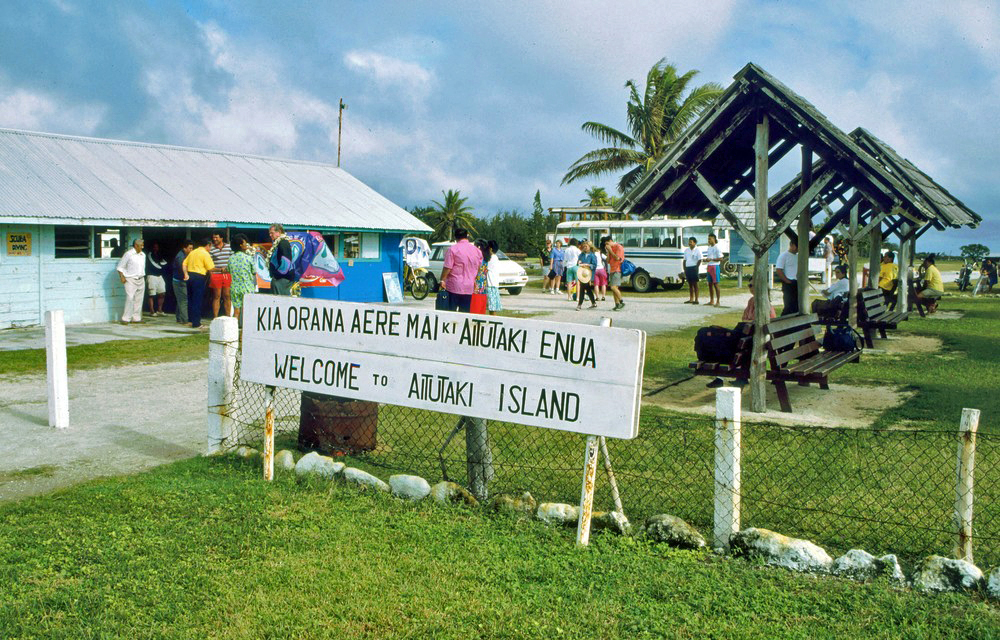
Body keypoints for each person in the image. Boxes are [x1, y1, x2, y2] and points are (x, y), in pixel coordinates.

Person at [439, 227, 482, 312]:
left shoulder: (452, 249)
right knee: (465, 315)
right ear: (467, 236)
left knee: (451, 314)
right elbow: (478, 268)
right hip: (469, 288)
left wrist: (442, 280)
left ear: (456, 237)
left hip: (454, 286)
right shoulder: (477, 251)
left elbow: (448, 267)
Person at [183, 237, 214, 330]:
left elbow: (184, 264)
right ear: (208, 245)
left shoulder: (193, 252)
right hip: (199, 277)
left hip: (190, 276)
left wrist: (185, 273)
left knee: (191, 299)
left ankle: (191, 320)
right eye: (210, 246)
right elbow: (211, 268)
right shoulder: (205, 254)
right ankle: (196, 323)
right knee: (197, 300)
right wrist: (221, 269)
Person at [228, 234, 258, 326]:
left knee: (236, 311)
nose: (246, 244)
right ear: (241, 245)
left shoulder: (231, 258)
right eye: (245, 243)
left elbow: (229, 270)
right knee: (247, 312)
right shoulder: (248, 258)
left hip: (235, 287)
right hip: (247, 287)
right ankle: (244, 335)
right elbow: (254, 271)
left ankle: (233, 333)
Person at [116, 238, 146, 324]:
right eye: (141, 245)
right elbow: (120, 267)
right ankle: (126, 318)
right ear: (136, 245)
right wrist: (122, 277)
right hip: (130, 279)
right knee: (130, 298)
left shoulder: (143, 255)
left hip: (140, 279)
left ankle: (136, 318)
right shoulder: (128, 254)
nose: (142, 247)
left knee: (139, 299)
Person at [209, 232, 233, 317]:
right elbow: (209, 264)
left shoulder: (229, 247)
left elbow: (232, 260)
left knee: (227, 296)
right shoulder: (211, 249)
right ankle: (215, 317)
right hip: (216, 274)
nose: (215, 239)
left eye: (216, 237)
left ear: (221, 238)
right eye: (213, 237)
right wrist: (212, 273)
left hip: (227, 274)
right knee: (216, 296)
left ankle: (228, 316)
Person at [268, 224, 295, 296]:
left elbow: (286, 262)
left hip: (283, 278)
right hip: (280, 277)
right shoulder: (278, 243)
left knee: (280, 300)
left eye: (272, 233)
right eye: (269, 233)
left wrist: (277, 275)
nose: (270, 235)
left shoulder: (283, 243)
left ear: (279, 232)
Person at [172, 240, 194, 324]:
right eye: (190, 248)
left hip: (179, 280)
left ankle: (179, 318)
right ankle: (185, 320)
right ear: (184, 248)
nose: (191, 250)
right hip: (179, 281)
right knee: (183, 300)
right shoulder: (180, 257)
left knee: (180, 299)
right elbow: (182, 269)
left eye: (192, 248)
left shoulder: (186, 255)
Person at [775, 240, 799, 316]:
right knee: (788, 305)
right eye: (796, 246)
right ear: (791, 244)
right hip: (789, 282)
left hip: (797, 282)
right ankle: (783, 322)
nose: (797, 248)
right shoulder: (783, 256)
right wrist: (787, 281)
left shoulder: (798, 256)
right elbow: (779, 270)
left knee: (797, 306)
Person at [601, 235, 625, 311]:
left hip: (617, 269)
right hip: (612, 269)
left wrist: (610, 250)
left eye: (608, 243)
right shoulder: (610, 249)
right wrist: (608, 252)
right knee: (614, 289)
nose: (607, 245)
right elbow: (608, 261)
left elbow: (617, 258)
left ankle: (621, 301)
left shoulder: (618, 247)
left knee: (613, 287)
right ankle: (617, 304)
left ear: (611, 241)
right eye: (606, 244)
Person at [145, 241, 168, 317]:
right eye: (154, 247)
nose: (156, 248)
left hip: (159, 276)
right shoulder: (149, 255)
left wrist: (161, 264)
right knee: (151, 294)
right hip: (151, 276)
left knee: (162, 293)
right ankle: (152, 311)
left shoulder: (160, 254)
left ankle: (159, 310)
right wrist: (161, 265)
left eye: (157, 247)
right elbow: (155, 264)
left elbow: (165, 262)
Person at [575, 240, 598, 310]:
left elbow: (594, 265)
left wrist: (588, 265)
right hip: (582, 273)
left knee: (583, 288)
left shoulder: (592, 255)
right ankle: (593, 303)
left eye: (586, 246)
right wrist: (579, 263)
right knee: (586, 288)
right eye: (584, 246)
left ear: (590, 247)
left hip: (588, 274)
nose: (584, 248)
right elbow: (578, 263)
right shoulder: (581, 255)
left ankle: (579, 304)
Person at [704, 233, 723, 306]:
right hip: (709, 266)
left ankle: (718, 301)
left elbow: (721, 258)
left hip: (715, 266)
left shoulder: (717, 247)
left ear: (714, 239)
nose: (709, 240)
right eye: (708, 239)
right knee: (710, 284)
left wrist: (711, 259)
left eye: (710, 239)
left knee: (716, 284)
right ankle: (711, 300)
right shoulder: (709, 248)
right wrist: (707, 260)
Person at [485, 240, 503, 316]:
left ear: (490, 249)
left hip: (491, 285)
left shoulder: (492, 258)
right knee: (491, 308)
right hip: (493, 285)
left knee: (492, 308)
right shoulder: (493, 257)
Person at [683, 236, 702, 305]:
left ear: (694, 243)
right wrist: (684, 269)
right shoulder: (686, 250)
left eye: (691, 242)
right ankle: (691, 299)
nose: (689, 243)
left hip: (694, 268)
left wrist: (696, 267)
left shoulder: (697, 250)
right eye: (689, 242)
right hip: (688, 268)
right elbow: (684, 260)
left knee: (695, 284)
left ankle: (696, 299)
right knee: (690, 284)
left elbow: (700, 259)